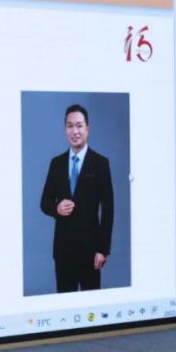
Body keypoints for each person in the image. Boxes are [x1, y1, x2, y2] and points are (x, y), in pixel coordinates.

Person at [39, 104, 114, 293]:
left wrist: (103, 249)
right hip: (63, 251)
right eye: (70, 126)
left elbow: (108, 209)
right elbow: (44, 202)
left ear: (87, 128)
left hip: (91, 251)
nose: (75, 131)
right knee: (64, 302)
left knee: (92, 305)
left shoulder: (100, 163)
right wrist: (57, 208)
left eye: (79, 125)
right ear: (65, 129)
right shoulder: (56, 163)